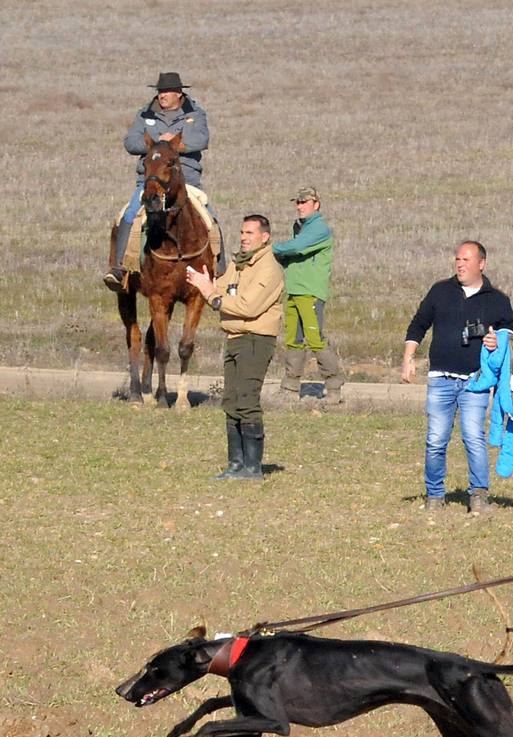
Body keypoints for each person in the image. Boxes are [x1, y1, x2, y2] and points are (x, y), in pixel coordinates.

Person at [402, 241, 513, 514]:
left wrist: (497, 341)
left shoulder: (497, 300)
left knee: (473, 437)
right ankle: (434, 495)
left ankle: (478, 494)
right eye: (457, 259)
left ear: (481, 263)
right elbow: (418, 324)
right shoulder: (440, 291)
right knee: (436, 438)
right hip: (440, 379)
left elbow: (512, 336)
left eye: (466, 259)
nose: (460, 264)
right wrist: (408, 358)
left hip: (476, 381)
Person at [186, 215, 283, 480]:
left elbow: (247, 307)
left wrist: (211, 294)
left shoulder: (269, 268)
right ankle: (235, 464)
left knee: (247, 400)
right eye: (242, 231)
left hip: (255, 339)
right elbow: (218, 292)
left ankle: (253, 467)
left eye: (250, 232)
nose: (243, 237)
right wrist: (204, 284)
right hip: (234, 337)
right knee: (230, 401)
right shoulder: (237, 265)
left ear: (265, 237)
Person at [106, 73, 211, 290]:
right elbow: (130, 142)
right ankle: (119, 269)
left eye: (166, 92)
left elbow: (202, 139)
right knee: (129, 215)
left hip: (186, 181)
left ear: (178, 93)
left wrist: (172, 145)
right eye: (159, 91)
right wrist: (156, 147)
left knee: (211, 219)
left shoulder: (195, 114)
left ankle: (220, 271)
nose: (161, 95)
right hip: (151, 181)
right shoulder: (145, 114)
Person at [273, 187, 344, 403]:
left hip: (310, 292)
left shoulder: (319, 229)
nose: (299, 206)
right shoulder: (301, 228)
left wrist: (272, 248)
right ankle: (290, 388)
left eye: (304, 202)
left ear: (316, 204)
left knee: (316, 340)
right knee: (294, 340)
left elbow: (296, 248)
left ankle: (334, 388)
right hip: (294, 290)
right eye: (298, 202)